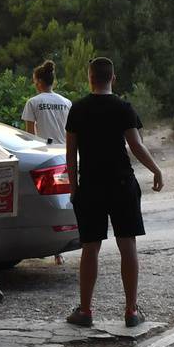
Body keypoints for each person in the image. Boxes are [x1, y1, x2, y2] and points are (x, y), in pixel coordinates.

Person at [63, 57, 165, 330]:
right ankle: (131, 311)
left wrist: (74, 188)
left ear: (89, 77)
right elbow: (136, 145)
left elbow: (70, 154)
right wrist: (156, 170)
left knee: (90, 248)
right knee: (127, 244)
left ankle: (85, 310)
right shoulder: (123, 108)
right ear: (113, 78)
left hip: (91, 186)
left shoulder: (78, 109)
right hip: (121, 184)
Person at [21, 60, 72, 143]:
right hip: (63, 151)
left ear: (39, 82)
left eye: (34, 81)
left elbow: (30, 135)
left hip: (44, 152)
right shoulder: (67, 102)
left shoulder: (33, 102)